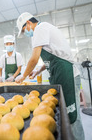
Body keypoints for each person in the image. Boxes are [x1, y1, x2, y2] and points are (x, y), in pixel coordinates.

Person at [15, 12, 84, 140]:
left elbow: (34, 59)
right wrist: (37, 72)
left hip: (67, 75)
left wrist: (22, 76)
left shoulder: (40, 28)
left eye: (25, 30)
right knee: (64, 115)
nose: (26, 33)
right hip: (60, 74)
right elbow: (52, 58)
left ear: (29, 23)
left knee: (72, 116)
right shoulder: (44, 29)